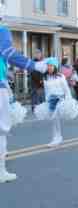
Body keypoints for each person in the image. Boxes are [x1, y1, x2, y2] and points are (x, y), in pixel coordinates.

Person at [0, 3, 47, 183]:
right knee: (2, 129)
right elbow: (7, 52)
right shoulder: (2, 31)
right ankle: (1, 171)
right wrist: (34, 65)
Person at [36, 58, 76, 147]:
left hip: (60, 100)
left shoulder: (60, 76)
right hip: (51, 101)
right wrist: (47, 101)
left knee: (55, 118)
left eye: (51, 66)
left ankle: (57, 138)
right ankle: (57, 137)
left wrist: (68, 100)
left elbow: (66, 89)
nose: (49, 67)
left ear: (55, 67)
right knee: (53, 120)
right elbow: (46, 90)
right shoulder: (45, 77)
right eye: (48, 66)